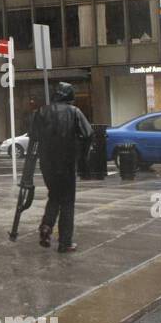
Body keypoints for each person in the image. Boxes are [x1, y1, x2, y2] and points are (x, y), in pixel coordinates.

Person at [29, 82, 92, 254]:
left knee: (55, 196)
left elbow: (33, 137)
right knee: (67, 202)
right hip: (66, 162)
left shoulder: (41, 112)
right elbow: (88, 134)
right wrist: (81, 153)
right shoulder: (74, 112)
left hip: (47, 163)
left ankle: (47, 226)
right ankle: (65, 242)